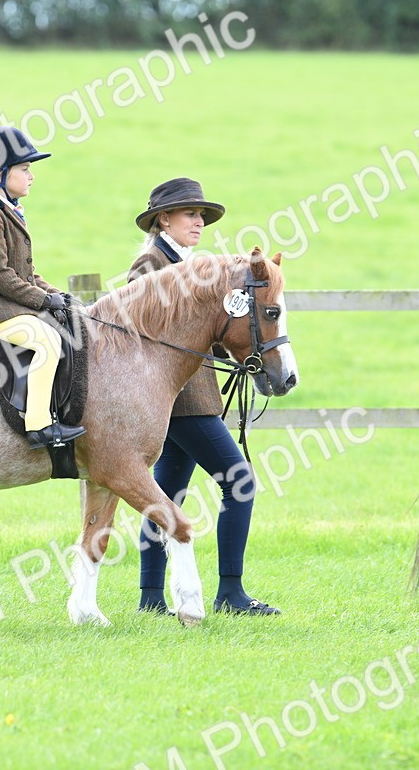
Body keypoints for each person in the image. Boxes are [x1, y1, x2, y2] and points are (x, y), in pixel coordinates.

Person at [128, 177, 280, 616]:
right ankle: (230, 592)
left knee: (167, 494)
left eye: (201, 216)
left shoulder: (191, 263)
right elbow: (149, 334)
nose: (198, 222)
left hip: (192, 396)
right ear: (163, 220)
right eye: (190, 214)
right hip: (181, 402)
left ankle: (151, 598)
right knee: (240, 483)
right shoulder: (149, 265)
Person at [0, 125, 85, 449]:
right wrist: (43, 301)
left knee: (66, 326)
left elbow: (27, 273)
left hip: (8, 303)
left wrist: (59, 297)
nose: (31, 176)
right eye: (25, 169)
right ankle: (38, 425)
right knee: (47, 341)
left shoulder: (8, 210)